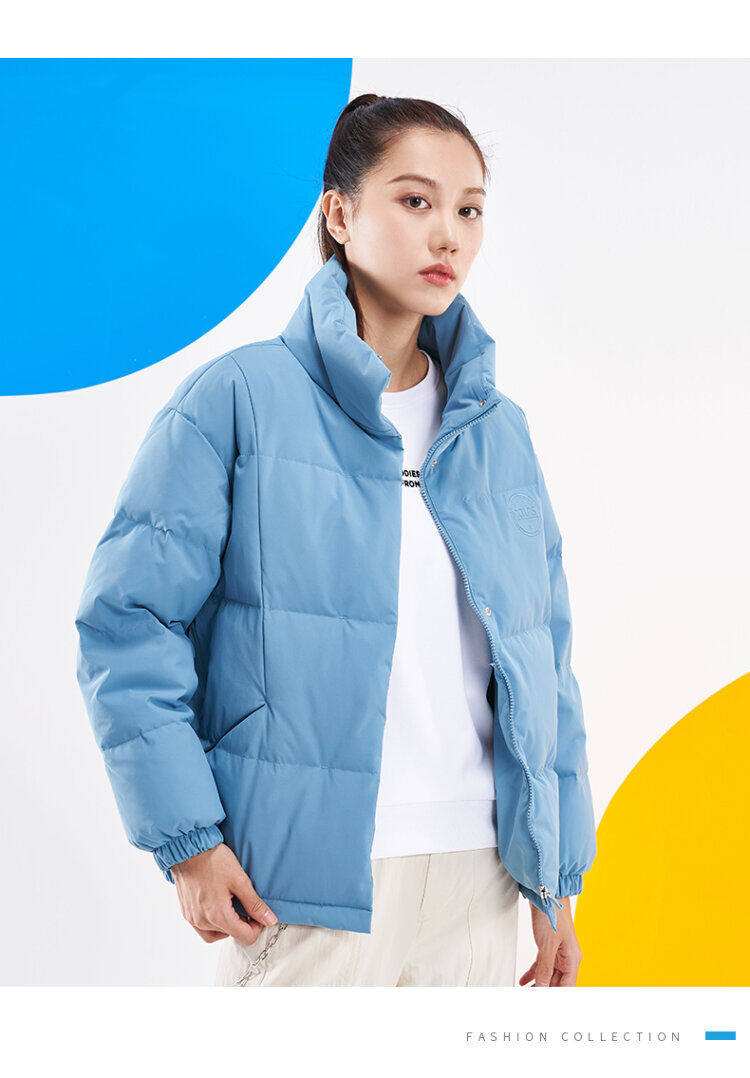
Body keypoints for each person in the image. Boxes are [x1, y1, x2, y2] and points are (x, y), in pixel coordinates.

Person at [75, 93, 597, 988]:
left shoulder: (496, 431)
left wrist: (556, 875)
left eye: (470, 210)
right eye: (416, 200)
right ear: (340, 214)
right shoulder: (238, 398)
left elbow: (543, 659)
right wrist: (188, 839)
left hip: (479, 875)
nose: (448, 235)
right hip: (304, 884)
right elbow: (127, 623)